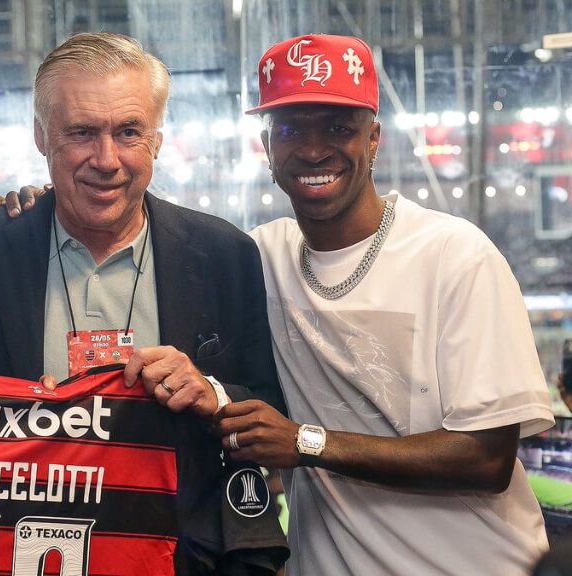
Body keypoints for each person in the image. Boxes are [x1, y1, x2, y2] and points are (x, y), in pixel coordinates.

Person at [0, 32, 287, 574]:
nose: (106, 159)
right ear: (42, 138)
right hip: (16, 555)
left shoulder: (223, 254)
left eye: (129, 131)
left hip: (179, 558)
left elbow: (269, 412)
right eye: (82, 133)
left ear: (157, 139)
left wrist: (208, 391)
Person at [211, 34, 555, 575]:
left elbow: (486, 458)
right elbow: (154, 243)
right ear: (267, 144)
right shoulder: (259, 256)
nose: (313, 148)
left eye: (339, 128)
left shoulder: (454, 255)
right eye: (291, 128)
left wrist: (304, 441)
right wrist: (43, 214)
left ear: (375, 139)